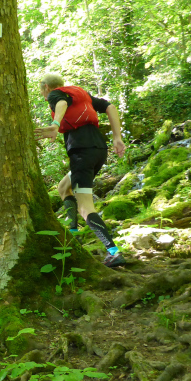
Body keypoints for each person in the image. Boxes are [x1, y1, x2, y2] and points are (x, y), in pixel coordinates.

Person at [34, 73, 127, 268]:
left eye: (42, 92)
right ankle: (73, 233)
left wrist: (55, 124)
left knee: (85, 207)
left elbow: (61, 104)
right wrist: (117, 138)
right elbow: (110, 107)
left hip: (81, 153)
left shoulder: (55, 94)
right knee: (63, 187)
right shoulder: (80, 94)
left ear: (46, 88)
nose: (44, 95)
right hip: (98, 150)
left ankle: (113, 251)